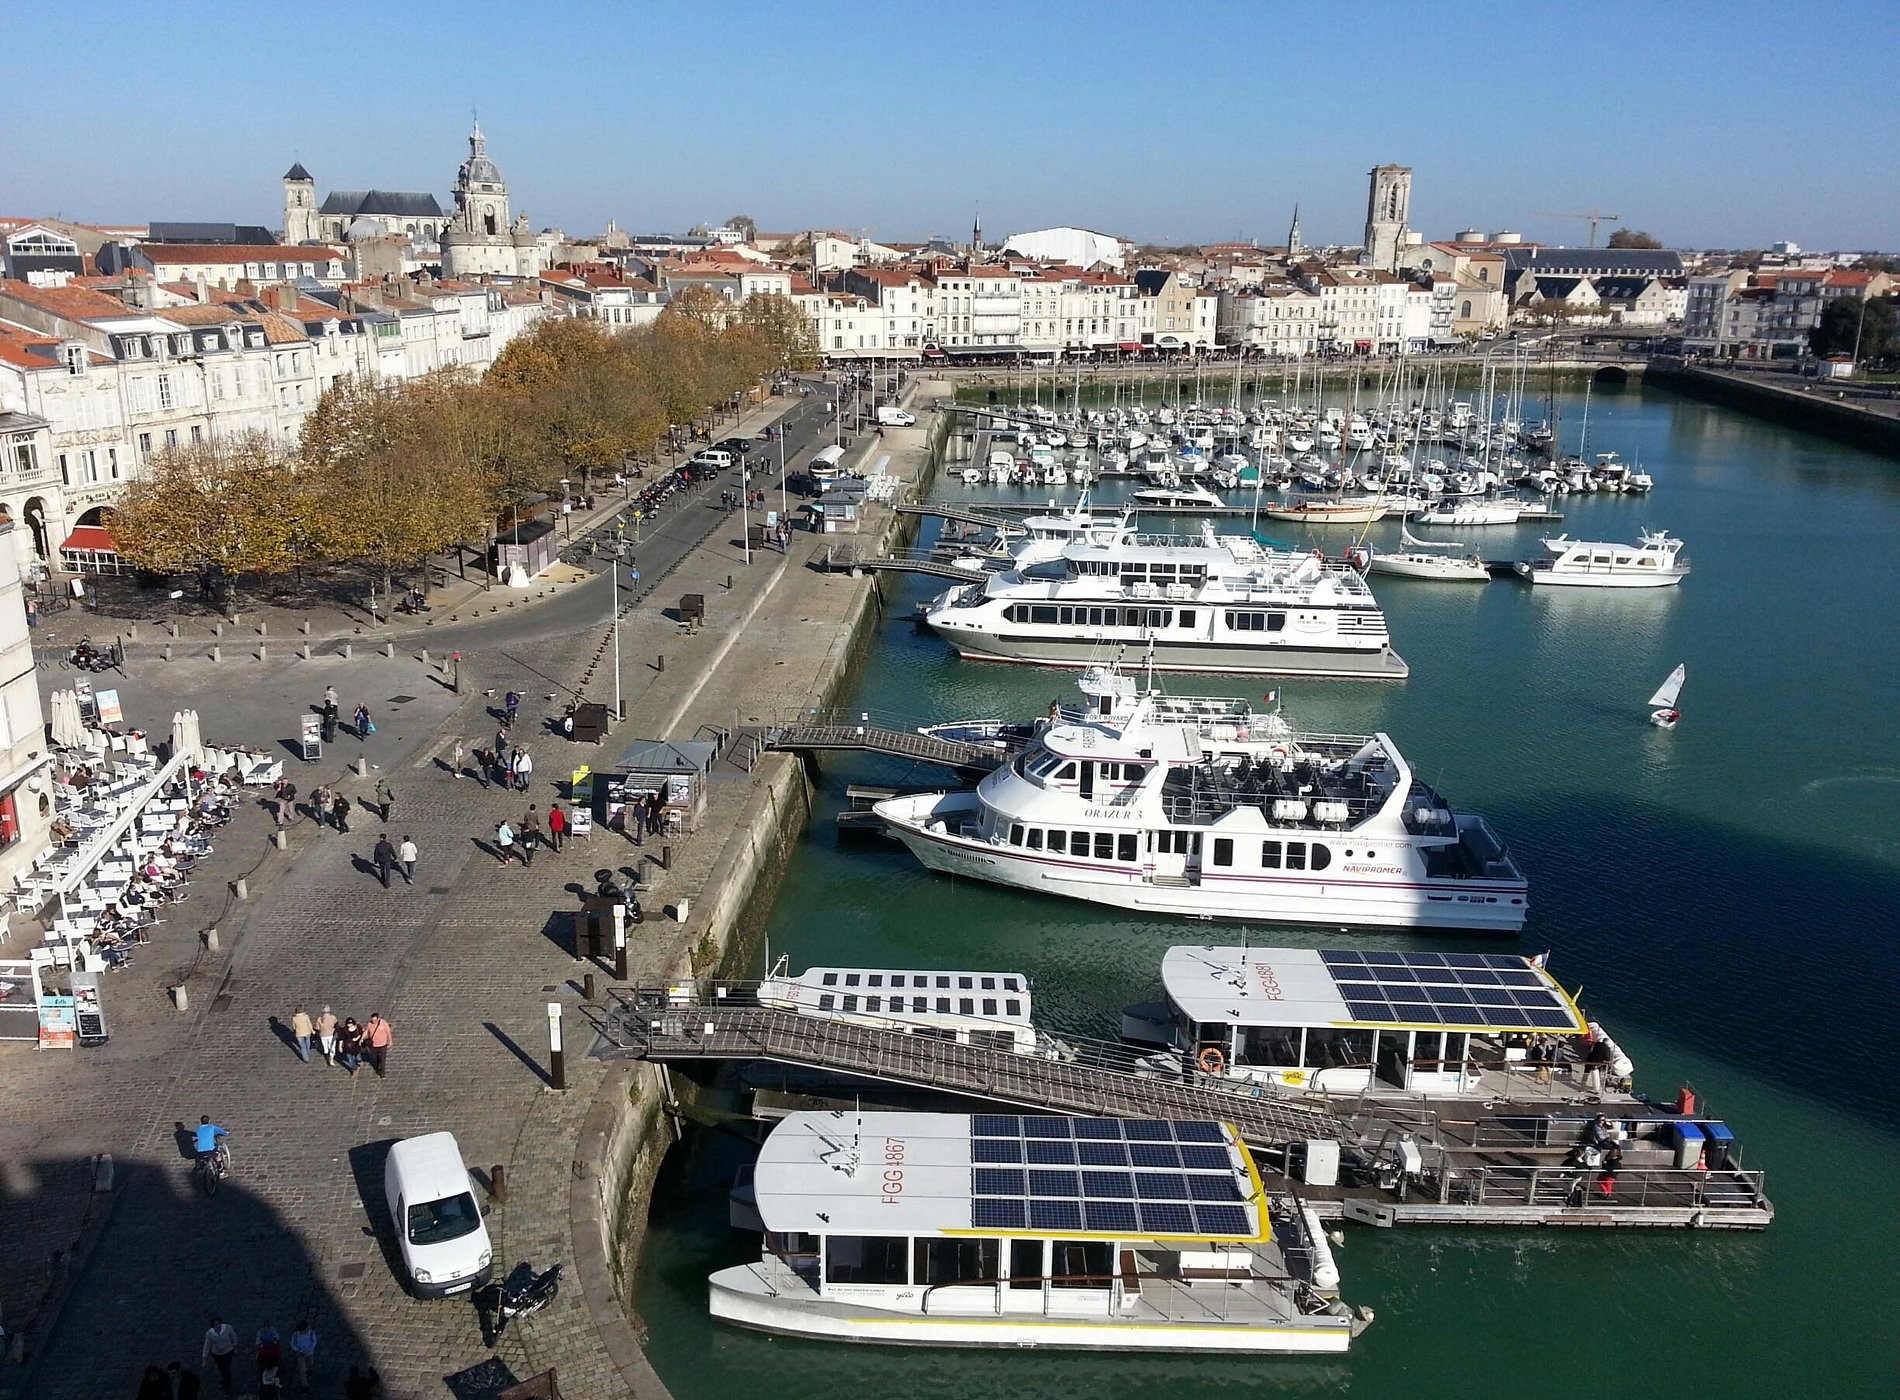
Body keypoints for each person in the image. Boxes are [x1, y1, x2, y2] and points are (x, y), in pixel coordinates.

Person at [201, 1317, 238, 1394]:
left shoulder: (227, 1328)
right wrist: (205, 1358)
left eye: (218, 1323)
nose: (217, 1326)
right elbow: (207, 1346)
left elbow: (233, 1337)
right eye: (215, 1324)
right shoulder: (210, 1333)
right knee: (222, 1369)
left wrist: (235, 1347)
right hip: (217, 1354)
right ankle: (225, 1381)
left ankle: (228, 1385)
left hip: (228, 1352)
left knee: (226, 1369)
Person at [288, 1320, 317, 1392]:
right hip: (300, 1354)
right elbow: (293, 1344)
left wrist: (309, 1349)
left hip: (309, 1353)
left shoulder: (311, 1333)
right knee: (302, 1370)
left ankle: (309, 1370)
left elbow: (314, 1341)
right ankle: (305, 1386)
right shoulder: (296, 1335)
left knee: (310, 1363)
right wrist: (300, 1350)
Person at [362, 1013, 392, 1078]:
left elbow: (388, 1032)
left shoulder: (384, 1023)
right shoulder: (369, 1024)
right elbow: (366, 1031)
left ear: (378, 1019)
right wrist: (362, 1038)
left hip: (383, 1044)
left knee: (382, 1059)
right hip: (373, 1045)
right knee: (374, 1058)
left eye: (375, 1020)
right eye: (372, 1020)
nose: (374, 1022)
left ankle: (382, 1073)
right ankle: (378, 1064)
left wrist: (390, 1041)